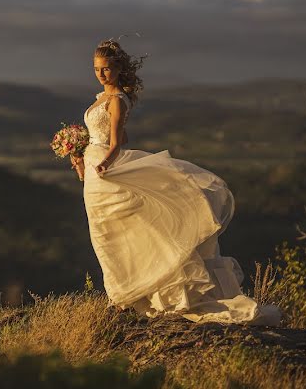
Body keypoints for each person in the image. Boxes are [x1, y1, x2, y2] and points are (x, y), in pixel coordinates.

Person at [68, 38, 281, 325]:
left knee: (116, 232)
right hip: (94, 170)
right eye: (97, 69)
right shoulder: (101, 99)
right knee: (106, 232)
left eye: (106, 69)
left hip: (104, 170)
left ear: (118, 69)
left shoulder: (117, 100)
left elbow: (118, 142)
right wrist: (80, 156)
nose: (101, 74)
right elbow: (120, 138)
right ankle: (123, 294)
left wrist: (104, 163)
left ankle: (123, 297)